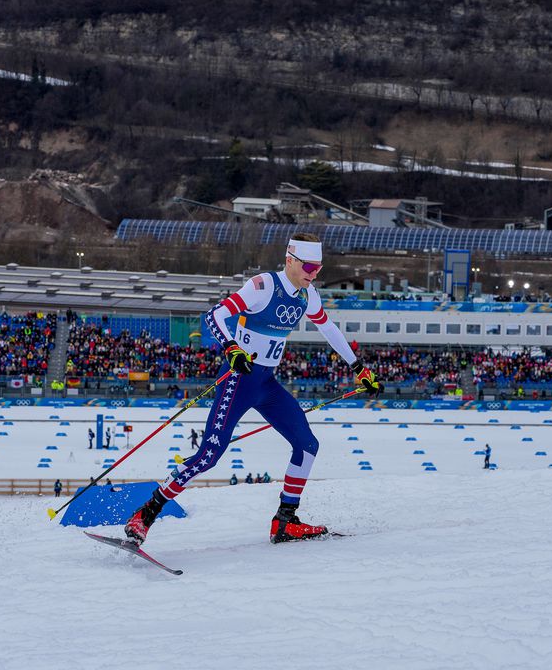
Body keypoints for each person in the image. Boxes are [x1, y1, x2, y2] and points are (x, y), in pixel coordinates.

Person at [124, 234, 382, 546]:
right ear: (290, 260)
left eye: (318, 268)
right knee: (210, 455)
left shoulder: (308, 294)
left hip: (266, 384)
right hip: (238, 379)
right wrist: (231, 347)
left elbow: (328, 328)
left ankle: (285, 522)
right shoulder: (263, 286)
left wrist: (358, 367)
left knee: (307, 445)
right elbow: (215, 315)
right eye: (309, 266)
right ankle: (146, 514)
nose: (314, 274)